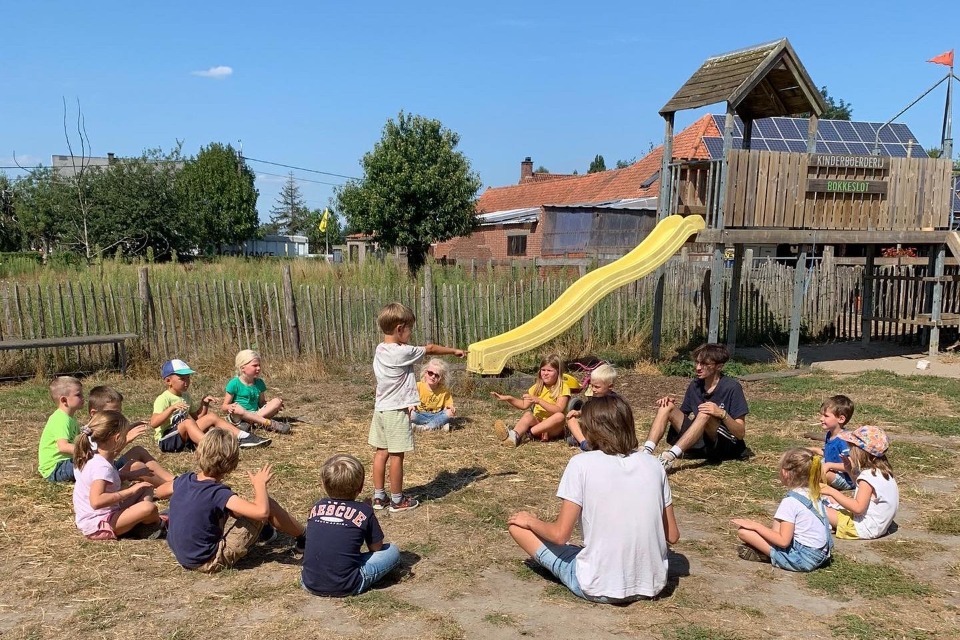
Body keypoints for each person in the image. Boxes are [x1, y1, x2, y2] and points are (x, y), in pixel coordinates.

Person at [507, 395, 679, 602]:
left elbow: (560, 535)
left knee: (517, 527)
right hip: (652, 584)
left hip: (597, 585)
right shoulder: (654, 465)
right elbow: (672, 535)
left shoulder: (581, 464)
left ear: (590, 428)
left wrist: (530, 521)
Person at [166, 428, 306, 572]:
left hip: (183, 557)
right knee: (266, 504)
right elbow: (262, 512)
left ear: (198, 452)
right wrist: (259, 485)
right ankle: (304, 538)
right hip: (208, 560)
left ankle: (265, 532)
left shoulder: (184, 480)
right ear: (232, 462)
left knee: (238, 508)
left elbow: (161, 490)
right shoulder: (218, 493)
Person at [369, 302, 465, 513]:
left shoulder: (380, 349)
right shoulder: (403, 352)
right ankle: (397, 500)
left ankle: (379, 497)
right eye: (410, 329)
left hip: (381, 409)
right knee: (397, 455)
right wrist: (454, 350)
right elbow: (430, 349)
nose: (411, 333)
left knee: (381, 452)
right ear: (400, 329)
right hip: (396, 411)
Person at [301, 454, 401, 596]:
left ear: (324, 484)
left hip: (308, 582)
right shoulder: (364, 511)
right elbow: (376, 547)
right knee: (392, 551)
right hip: (348, 584)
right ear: (360, 487)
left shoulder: (317, 506)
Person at [642, 343, 748, 469]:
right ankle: (645, 453)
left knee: (705, 411)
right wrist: (671, 405)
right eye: (697, 362)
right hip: (700, 441)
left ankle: (669, 457)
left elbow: (740, 433)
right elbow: (683, 416)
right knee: (667, 406)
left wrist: (722, 414)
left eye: (704, 364)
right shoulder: (695, 385)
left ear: (719, 366)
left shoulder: (732, 387)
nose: (698, 367)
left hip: (723, 445)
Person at [731, 448, 832, 572]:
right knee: (779, 523)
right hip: (823, 553)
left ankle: (770, 554)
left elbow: (783, 541)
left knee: (744, 532)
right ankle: (771, 551)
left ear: (785, 473)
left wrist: (755, 526)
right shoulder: (813, 493)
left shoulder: (791, 501)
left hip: (803, 559)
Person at [72, 410, 164, 540]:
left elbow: (102, 481)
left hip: (102, 515)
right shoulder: (102, 467)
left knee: (145, 487)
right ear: (117, 438)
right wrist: (131, 491)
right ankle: (154, 525)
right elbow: (96, 502)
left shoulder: (93, 456)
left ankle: (138, 523)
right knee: (148, 508)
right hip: (98, 524)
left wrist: (127, 475)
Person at [150, 358, 270, 453]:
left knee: (211, 417)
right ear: (168, 381)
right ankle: (212, 448)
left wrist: (204, 404)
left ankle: (243, 437)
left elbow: (198, 418)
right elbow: (154, 423)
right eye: (182, 379)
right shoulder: (163, 399)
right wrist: (171, 408)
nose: (187, 382)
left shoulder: (185, 396)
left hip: (184, 438)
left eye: (188, 378)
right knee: (187, 422)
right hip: (166, 440)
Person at [88, 385, 174, 497]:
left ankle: (172, 479)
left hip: (111, 469)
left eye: (119, 412)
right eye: (114, 413)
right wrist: (126, 440)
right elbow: (103, 461)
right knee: (137, 466)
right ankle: (171, 488)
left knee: (138, 450)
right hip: (103, 476)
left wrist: (129, 428)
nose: (119, 416)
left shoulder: (101, 429)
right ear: (94, 413)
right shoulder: (91, 435)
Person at [821, 426, 899, 540]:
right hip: (879, 525)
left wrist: (831, 491)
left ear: (860, 452)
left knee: (817, 508)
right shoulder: (883, 472)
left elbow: (858, 508)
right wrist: (849, 470)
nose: (849, 452)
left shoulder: (867, 477)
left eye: (850, 448)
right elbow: (863, 491)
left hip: (862, 528)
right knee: (828, 498)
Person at [492, 354, 572, 447]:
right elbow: (524, 405)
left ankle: (527, 434)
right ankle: (514, 436)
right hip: (537, 424)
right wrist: (509, 398)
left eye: (549, 370)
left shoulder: (563, 388)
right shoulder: (537, 387)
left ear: (558, 372)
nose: (545, 373)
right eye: (543, 370)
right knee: (528, 415)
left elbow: (559, 409)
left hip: (553, 429)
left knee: (560, 416)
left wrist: (539, 401)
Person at [222, 349, 291, 434]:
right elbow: (224, 406)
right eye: (254, 365)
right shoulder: (234, 383)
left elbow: (261, 403)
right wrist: (229, 407)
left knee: (277, 401)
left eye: (259, 365)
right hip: (239, 416)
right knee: (236, 408)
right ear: (242, 368)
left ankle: (249, 423)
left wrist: (273, 405)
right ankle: (268, 423)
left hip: (255, 413)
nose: (258, 368)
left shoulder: (259, 383)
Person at [808, 395, 856, 490]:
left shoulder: (844, 440)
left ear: (841, 419)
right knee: (807, 463)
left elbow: (851, 465)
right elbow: (830, 454)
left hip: (846, 478)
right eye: (821, 415)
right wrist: (814, 450)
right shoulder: (830, 434)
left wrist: (829, 465)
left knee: (820, 473)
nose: (821, 419)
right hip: (832, 470)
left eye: (826, 416)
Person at [566, 363, 618, 451]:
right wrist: (578, 413)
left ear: (610, 387)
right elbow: (589, 409)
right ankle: (584, 442)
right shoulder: (595, 397)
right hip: (593, 429)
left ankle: (583, 441)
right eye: (592, 386)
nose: (593, 389)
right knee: (571, 419)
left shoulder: (614, 401)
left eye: (597, 387)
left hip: (606, 431)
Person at [411, 358, 456, 432]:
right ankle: (437, 426)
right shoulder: (418, 386)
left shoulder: (444, 391)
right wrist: (411, 406)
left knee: (450, 413)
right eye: (430, 373)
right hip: (421, 414)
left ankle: (424, 428)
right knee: (410, 413)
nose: (433, 376)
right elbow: (410, 400)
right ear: (425, 373)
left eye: (437, 375)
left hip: (436, 415)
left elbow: (449, 404)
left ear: (441, 378)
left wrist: (450, 407)